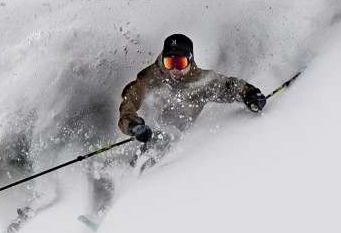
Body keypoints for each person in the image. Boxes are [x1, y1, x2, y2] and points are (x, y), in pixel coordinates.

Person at [87, 33, 266, 221]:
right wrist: (133, 124)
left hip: (174, 140)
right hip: (146, 134)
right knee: (132, 162)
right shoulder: (153, 77)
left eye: (179, 63)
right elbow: (130, 99)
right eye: (168, 63)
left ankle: (123, 208)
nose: (174, 70)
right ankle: (106, 208)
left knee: (153, 154)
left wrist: (250, 94)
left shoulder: (202, 82)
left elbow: (230, 86)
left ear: (190, 60)